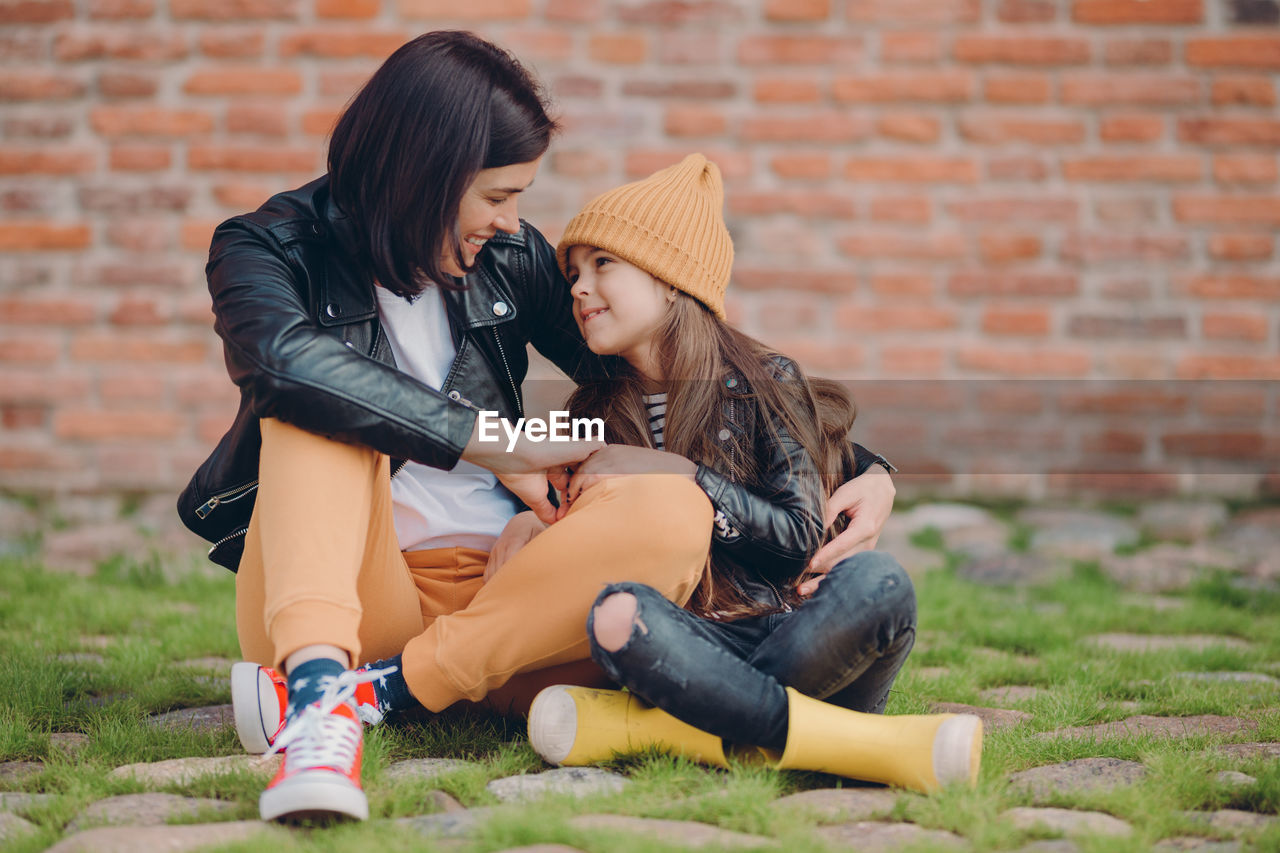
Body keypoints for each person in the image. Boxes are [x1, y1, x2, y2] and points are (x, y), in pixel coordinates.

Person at [175, 32, 896, 823]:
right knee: (312, 412)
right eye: (497, 196)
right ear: (427, 176)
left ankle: (378, 695)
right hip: (349, 599)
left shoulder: (507, 261)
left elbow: (659, 352)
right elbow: (283, 368)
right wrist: (488, 441)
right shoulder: (266, 248)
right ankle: (318, 704)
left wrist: (861, 465)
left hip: (517, 604)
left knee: (674, 501)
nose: (514, 221)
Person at [515, 153, 981, 793]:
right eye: (573, 272)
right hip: (695, 644)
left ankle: (701, 726)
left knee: (880, 581)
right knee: (618, 615)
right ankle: (828, 742)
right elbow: (548, 489)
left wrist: (683, 474)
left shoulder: (765, 383)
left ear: (671, 277)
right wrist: (523, 522)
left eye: (602, 265)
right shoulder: (591, 409)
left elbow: (796, 534)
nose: (577, 287)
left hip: (796, 632)